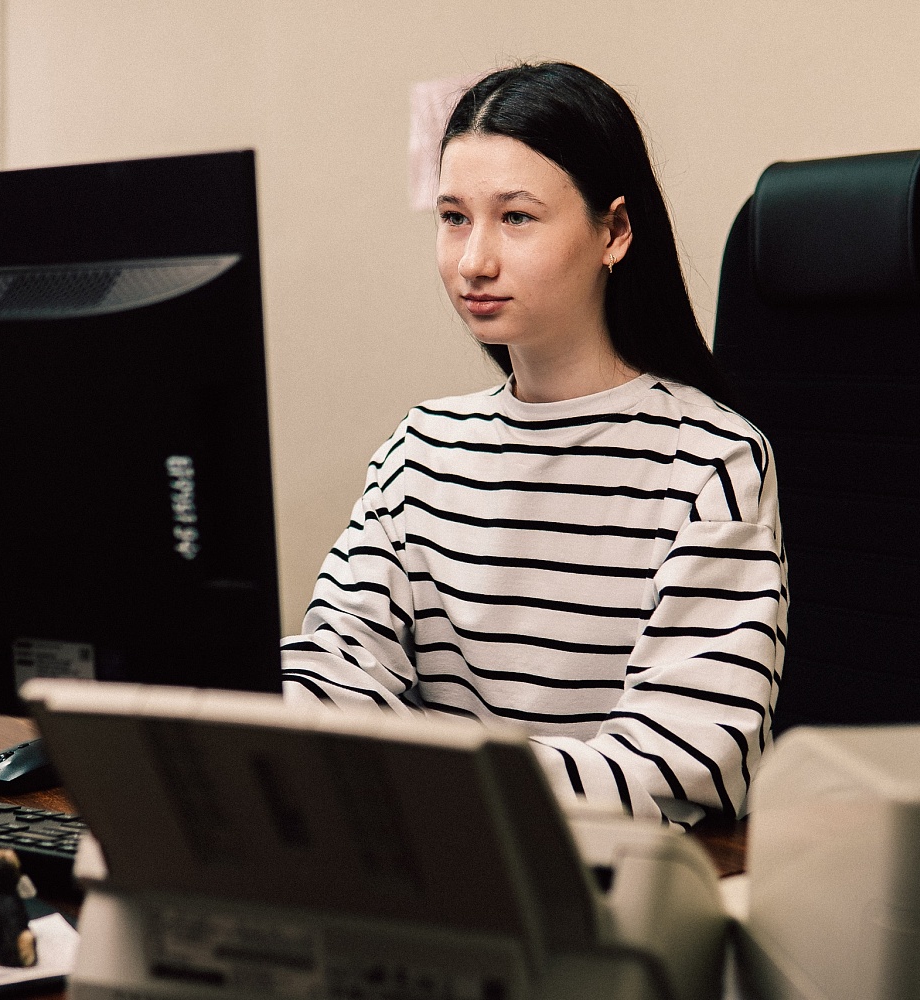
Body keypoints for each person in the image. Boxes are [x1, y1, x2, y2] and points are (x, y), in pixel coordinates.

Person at [281, 62, 785, 826]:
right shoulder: (421, 449)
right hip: (439, 854)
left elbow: (683, 763)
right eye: (454, 217)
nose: (474, 261)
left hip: (603, 874)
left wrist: (429, 779)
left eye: (516, 217)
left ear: (614, 232)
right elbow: (337, 668)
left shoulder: (709, 459)